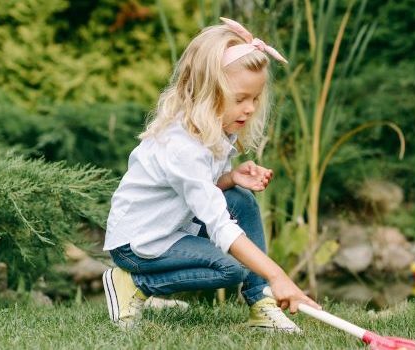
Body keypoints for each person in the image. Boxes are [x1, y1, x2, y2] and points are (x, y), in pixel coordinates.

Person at [101, 17, 319, 332]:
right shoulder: (182, 146)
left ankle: (262, 304)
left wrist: (230, 179)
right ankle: (133, 281)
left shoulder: (214, 128)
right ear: (207, 91)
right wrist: (278, 275)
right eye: (240, 99)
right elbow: (220, 228)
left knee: (240, 199)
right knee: (232, 268)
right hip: (139, 244)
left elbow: (197, 190)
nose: (249, 109)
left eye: (255, 99)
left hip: (170, 229)